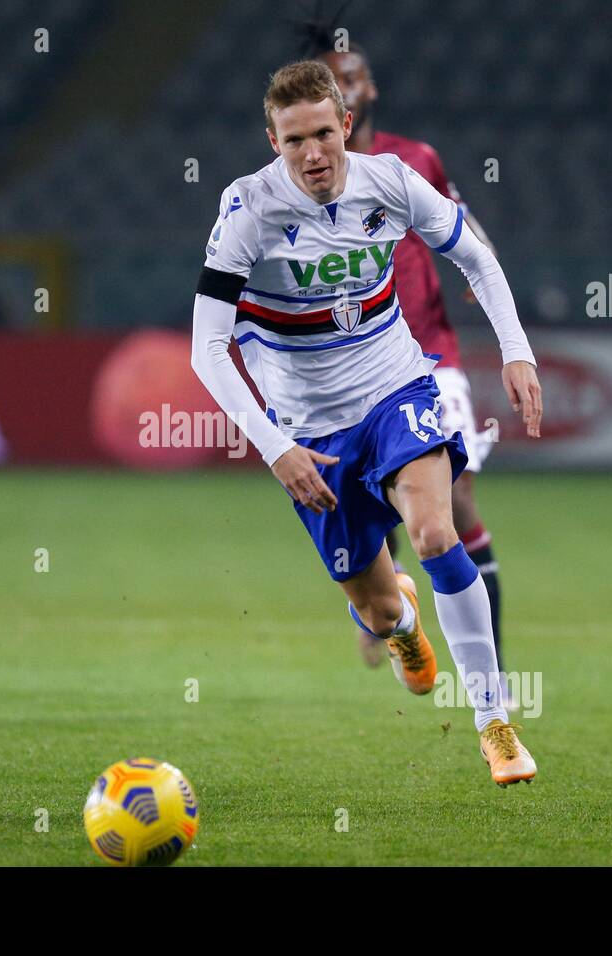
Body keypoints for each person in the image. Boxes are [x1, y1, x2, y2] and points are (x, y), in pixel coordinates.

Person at [190, 61, 542, 785]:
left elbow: (475, 256)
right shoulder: (247, 211)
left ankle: (494, 721)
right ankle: (401, 622)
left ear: (345, 123)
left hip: (395, 386)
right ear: (273, 140)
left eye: (324, 133)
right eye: (295, 142)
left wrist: (517, 350)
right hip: (310, 434)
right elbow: (207, 348)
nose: (313, 155)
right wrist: (275, 447)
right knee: (379, 612)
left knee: (437, 532)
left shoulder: (389, 180)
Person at [303, 31, 509, 677]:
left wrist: (482, 265)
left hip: (430, 354)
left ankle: (489, 668)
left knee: (458, 495)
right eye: (333, 81)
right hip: (347, 370)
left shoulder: (413, 159)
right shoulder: (296, 185)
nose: (348, 89)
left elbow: (461, 222)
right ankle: (392, 607)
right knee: (364, 507)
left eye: (354, 77)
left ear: (368, 90)